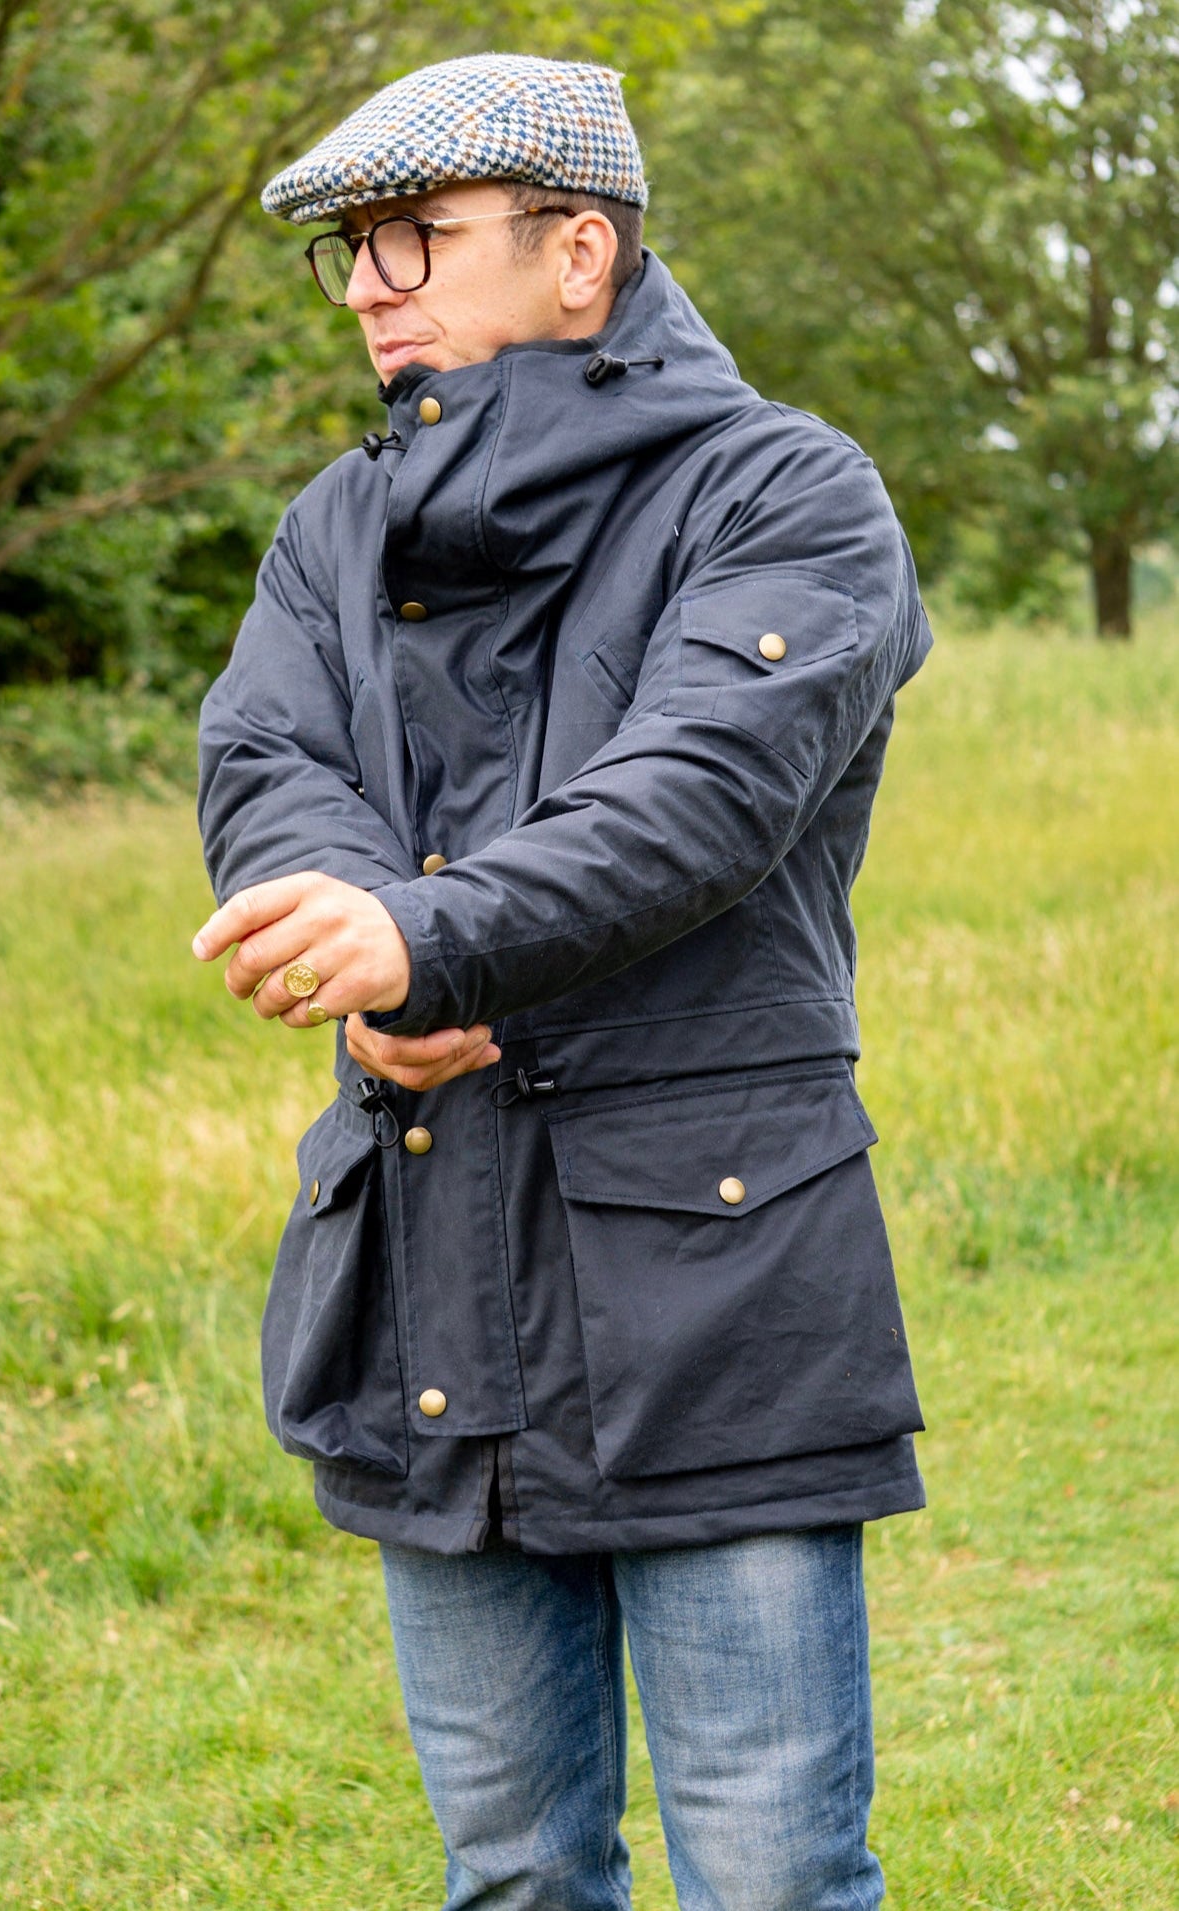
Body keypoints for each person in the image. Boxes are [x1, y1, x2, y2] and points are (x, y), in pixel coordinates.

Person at [193, 52, 931, 1911]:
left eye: (410, 239)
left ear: (577, 251)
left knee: (769, 1877)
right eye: (349, 252)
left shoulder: (786, 493)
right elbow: (269, 772)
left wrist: (425, 938)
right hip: (429, 1270)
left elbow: (698, 794)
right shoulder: (328, 533)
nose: (367, 286)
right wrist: (371, 938)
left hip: (713, 1284)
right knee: (512, 1878)